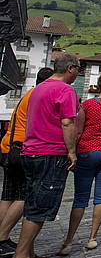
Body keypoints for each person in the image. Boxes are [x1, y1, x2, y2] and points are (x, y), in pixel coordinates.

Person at [14, 53, 81, 258]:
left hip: (30, 151)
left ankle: (29, 252)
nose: (78, 74)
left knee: (32, 202)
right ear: (70, 68)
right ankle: (21, 254)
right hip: (50, 153)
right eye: (78, 69)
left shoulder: (38, 89)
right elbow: (67, 122)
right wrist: (71, 152)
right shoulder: (65, 90)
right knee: (40, 208)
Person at [58, 72, 101, 256]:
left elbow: (78, 129)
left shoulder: (87, 104)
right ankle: (92, 238)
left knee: (81, 197)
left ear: (99, 86)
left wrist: (72, 152)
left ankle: (68, 241)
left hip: (87, 151)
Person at [0, 67, 53, 257]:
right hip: (23, 148)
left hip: (8, 146)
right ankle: (2, 236)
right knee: (24, 196)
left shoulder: (28, 94)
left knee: (8, 195)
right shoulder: (39, 96)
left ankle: (2, 238)